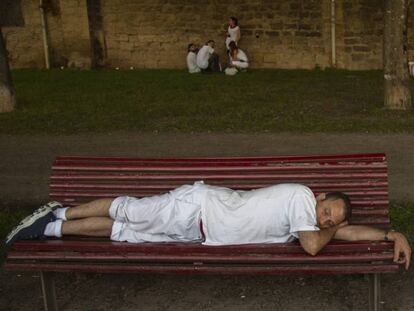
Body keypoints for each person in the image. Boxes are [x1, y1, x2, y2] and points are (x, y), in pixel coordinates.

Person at [5, 182, 411, 269]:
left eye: (330, 222)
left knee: (121, 231)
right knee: (128, 210)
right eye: (328, 213)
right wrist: (323, 230)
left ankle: (50, 228)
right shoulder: (301, 199)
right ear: (321, 199)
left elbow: (340, 233)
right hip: (195, 209)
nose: (326, 221)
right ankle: (60, 211)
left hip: (197, 232)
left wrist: (392, 233)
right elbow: (313, 246)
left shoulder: (310, 223)